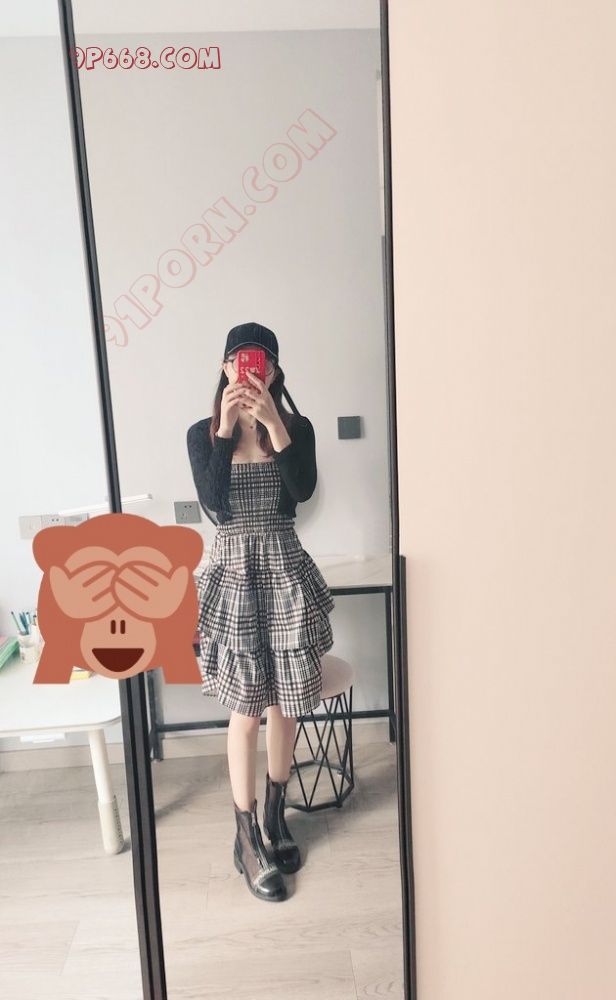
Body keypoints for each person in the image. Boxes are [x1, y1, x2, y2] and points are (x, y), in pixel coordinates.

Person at [186, 321, 335, 902]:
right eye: (239, 360)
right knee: (247, 710)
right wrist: (226, 430)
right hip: (234, 575)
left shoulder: (297, 427)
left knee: (287, 703)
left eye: (260, 361)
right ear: (226, 368)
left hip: (284, 569)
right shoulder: (203, 433)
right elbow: (213, 501)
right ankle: (246, 837)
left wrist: (275, 424)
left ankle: (276, 816)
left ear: (273, 370)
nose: (249, 370)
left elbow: (303, 491)